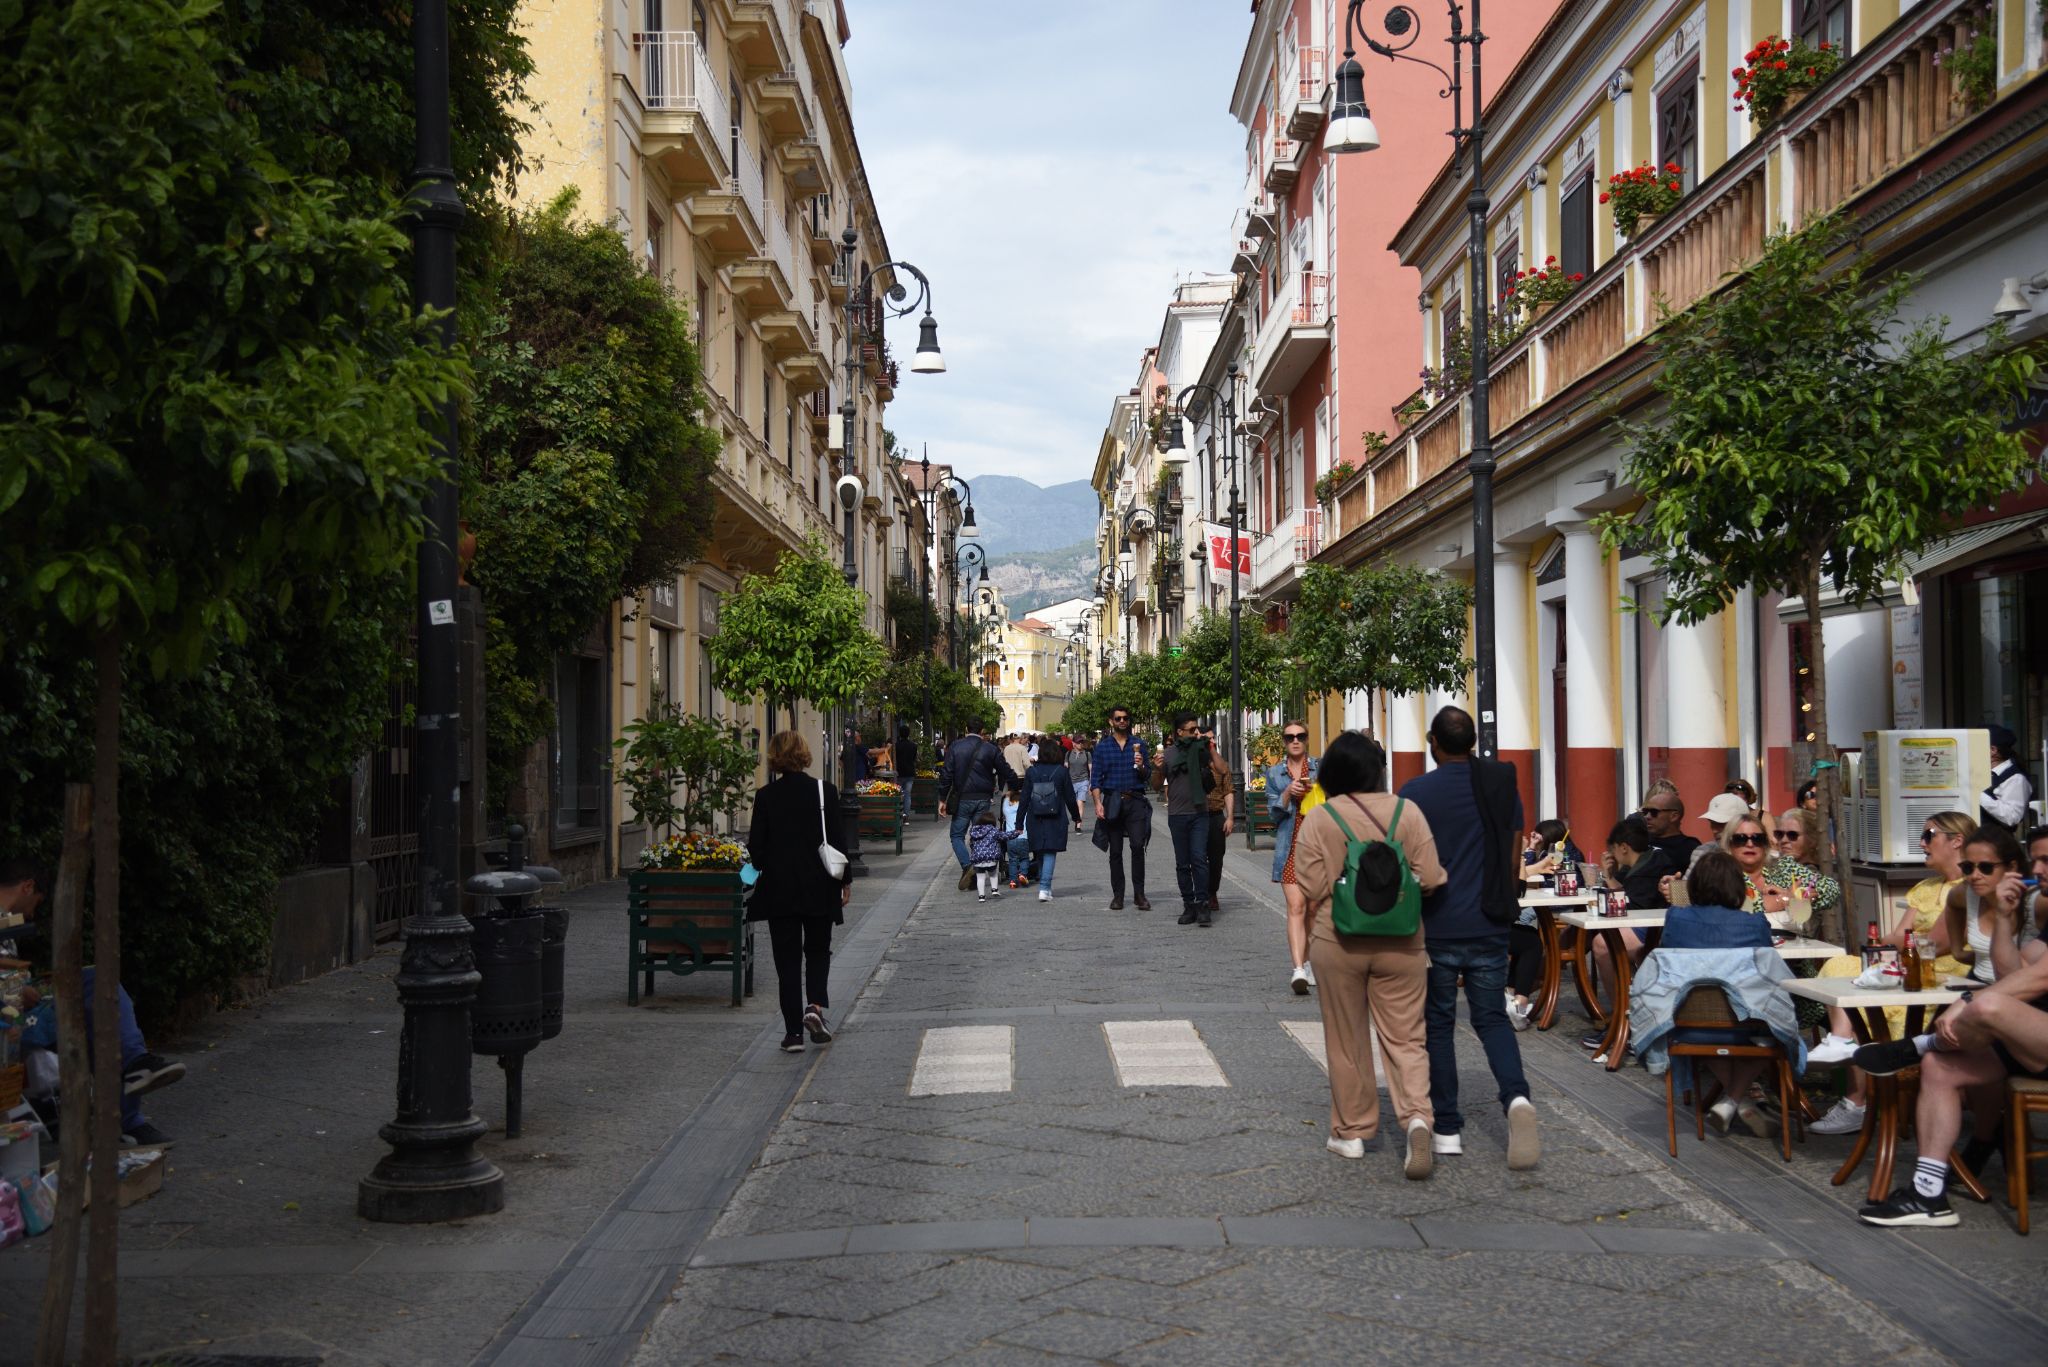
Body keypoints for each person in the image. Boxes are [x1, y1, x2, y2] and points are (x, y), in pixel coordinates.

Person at [1293, 732, 1446, 1177]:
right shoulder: (1407, 811)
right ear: (1377, 771)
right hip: (1402, 940)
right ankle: (1417, 1117)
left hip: (1337, 940)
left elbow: (1313, 888)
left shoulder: (1320, 819)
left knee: (1347, 1040)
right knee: (1406, 1037)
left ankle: (1353, 1133)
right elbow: (1432, 876)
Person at [1399, 706, 1541, 1170]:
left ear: (1432, 743)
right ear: (1473, 741)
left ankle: (1447, 1128)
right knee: (1492, 1021)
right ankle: (1517, 1100)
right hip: (1489, 920)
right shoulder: (1501, 783)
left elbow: (1407, 862)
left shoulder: (1416, 793)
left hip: (1437, 924)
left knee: (1438, 1027)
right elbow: (1515, 845)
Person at [1850, 933, 2048, 1227]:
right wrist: (2005, 917)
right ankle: (1927, 1194)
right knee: (1938, 1067)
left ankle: (1919, 1045)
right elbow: (2018, 974)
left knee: (1987, 1006)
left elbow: (2040, 978)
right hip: (2032, 1039)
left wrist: (1966, 1000)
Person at [1807, 810, 1976, 1132]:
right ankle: (1841, 1042)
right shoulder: (1925, 887)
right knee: (1841, 964)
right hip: (1906, 969)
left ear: (1957, 841)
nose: (1921, 843)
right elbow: (1895, 937)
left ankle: (1857, 1102)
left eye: (1929, 835)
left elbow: (1937, 944)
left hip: (1943, 981)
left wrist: (1903, 944)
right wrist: (1901, 945)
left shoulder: (1969, 887)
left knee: (1866, 1006)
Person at [2, 858, 184, 1146]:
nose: (34, 911)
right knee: (97, 986)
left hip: (16, 1013)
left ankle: (133, 1086)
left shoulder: (7, 921)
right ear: (27, 886)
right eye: (36, 901)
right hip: (8, 1022)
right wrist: (19, 990)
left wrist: (27, 985)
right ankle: (130, 1102)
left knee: (101, 1003)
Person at [1628, 851, 1801, 1142]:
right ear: (1737, 887)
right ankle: (1735, 1099)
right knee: (1777, 1030)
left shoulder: (1677, 919)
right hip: (1746, 1026)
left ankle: (1735, 1100)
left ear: (1695, 887)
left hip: (1687, 1027)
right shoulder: (1754, 922)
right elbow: (1768, 977)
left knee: (1710, 1015)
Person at [745, 732, 852, 1054]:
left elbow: (757, 850)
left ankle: (793, 1034)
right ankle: (814, 1007)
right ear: (805, 754)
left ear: (774, 757)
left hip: (780, 889)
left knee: (787, 961)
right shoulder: (825, 792)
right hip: (820, 885)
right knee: (818, 951)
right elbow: (837, 841)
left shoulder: (766, 796)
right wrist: (845, 882)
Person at [1580, 818, 1676, 1051]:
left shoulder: (1650, 868)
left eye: (1613, 849)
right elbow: (1622, 897)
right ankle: (1624, 1020)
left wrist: (1608, 877)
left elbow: (1628, 905)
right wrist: (1608, 874)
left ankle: (1624, 1021)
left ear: (1623, 847)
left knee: (1603, 946)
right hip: (1645, 926)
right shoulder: (1638, 865)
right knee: (1596, 938)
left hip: (1656, 929)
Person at [1941, 824, 2044, 984]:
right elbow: (1952, 903)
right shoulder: (1967, 892)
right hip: (1978, 983)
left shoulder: (2036, 900)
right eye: (1967, 867)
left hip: (2021, 995)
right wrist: (1957, 951)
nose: (1975, 876)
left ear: (2011, 866)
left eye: (1986, 867)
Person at [1509, 820, 1581, 1029]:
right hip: (1485, 927)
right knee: (1530, 942)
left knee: (1524, 935)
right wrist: (1524, 853)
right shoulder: (1508, 855)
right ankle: (1518, 1003)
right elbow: (1518, 888)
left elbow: (1531, 872)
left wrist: (1530, 859)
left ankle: (1511, 994)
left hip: (1559, 904)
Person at [1267, 722, 1321, 994]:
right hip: (1290, 848)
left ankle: (1309, 961)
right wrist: (1288, 794)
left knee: (1313, 910)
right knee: (1296, 908)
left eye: (1300, 736)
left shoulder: (1319, 769)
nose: (1295, 741)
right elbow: (1273, 815)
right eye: (1290, 737)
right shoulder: (1275, 773)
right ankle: (1298, 968)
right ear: (1284, 742)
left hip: (1318, 849)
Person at [1153, 711, 1218, 927]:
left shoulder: (1200, 750)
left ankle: (1203, 904)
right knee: (1182, 863)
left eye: (1197, 729)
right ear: (1180, 732)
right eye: (1191, 730)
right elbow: (1156, 785)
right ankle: (1188, 905)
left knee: (1199, 858)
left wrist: (1209, 747)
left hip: (1200, 813)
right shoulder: (1169, 754)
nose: (1196, 732)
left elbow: (1221, 770)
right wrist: (1157, 767)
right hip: (1177, 815)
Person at [938, 722, 1017, 891]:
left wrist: (942, 798)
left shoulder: (955, 747)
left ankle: (968, 867)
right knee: (979, 835)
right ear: (982, 731)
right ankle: (974, 872)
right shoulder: (990, 748)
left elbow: (946, 773)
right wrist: (1015, 785)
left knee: (957, 835)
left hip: (962, 799)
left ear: (966, 729)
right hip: (983, 798)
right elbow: (1005, 769)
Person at [1091, 707, 1153, 910]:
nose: (1122, 721)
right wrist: (1098, 803)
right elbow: (1096, 779)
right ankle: (1118, 895)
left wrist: (1142, 765)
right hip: (1112, 801)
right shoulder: (1102, 747)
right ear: (1111, 722)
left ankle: (1139, 894)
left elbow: (1147, 777)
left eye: (1125, 718)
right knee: (1115, 851)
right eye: (1118, 718)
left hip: (1135, 800)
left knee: (1137, 846)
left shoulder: (1139, 744)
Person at [1020, 742, 1082, 901]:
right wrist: (1076, 816)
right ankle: (1045, 887)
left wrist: (1019, 822)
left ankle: (1045, 886)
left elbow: (1024, 798)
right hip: (1056, 816)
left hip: (1035, 816)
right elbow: (1069, 796)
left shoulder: (1031, 772)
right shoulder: (1061, 771)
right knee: (1050, 851)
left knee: (1040, 850)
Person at [1769, 807, 1842, 923]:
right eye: (1779, 834)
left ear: (1812, 839)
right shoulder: (1777, 864)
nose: (1783, 840)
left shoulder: (1811, 873)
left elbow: (1830, 890)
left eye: (1792, 835)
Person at [1198, 722, 1233, 913]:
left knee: (1216, 859)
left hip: (1216, 816)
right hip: (1197, 816)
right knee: (1197, 858)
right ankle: (1200, 894)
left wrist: (1230, 817)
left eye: (1213, 738)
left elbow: (1228, 790)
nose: (1212, 741)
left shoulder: (1219, 763)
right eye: (1208, 739)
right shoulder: (1194, 760)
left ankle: (1212, 892)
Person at [1981, 723, 2035, 833]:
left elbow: (2011, 817)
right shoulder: (1982, 773)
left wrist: (1977, 795)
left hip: (1996, 844)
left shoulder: (2016, 778)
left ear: (1993, 750)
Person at [1637, 788, 1699, 870]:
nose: (1647, 816)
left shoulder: (1690, 848)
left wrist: (1673, 883)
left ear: (1674, 816)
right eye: (1645, 812)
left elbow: (1694, 882)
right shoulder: (1639, 842)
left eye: (1654, 812)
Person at [967, 806, 1007, 902]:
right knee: (993, 874)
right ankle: (994, 890)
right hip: (991, 858)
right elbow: (1004, 836)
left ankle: (981, 897)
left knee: (980, 877)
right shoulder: (993, 830)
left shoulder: (974, 831)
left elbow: (971, 844)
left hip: (978, 859)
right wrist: (1015, 833)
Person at [894, 725, 919, 821]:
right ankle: (906, 814)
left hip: (899, 772)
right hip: (910, 773)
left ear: (900, 734)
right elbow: (913, 759)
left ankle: (899, 813)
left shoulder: (896, 745)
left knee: (899, 793)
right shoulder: (913, 746)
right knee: (908, 794)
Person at [1066, 731, 1093, 809]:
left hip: (1083, 781)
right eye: (1078, 742)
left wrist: (1091, 783)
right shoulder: (1068, 753)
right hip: (1071, 782)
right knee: (1073, 802)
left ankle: (1079, 820)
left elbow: (1091, 769)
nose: (1080, 744)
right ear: (1073, 743)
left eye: (1082, 742)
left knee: (1080, 800)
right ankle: (1076, 818)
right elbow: (1065, 768)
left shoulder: (1087, 754)